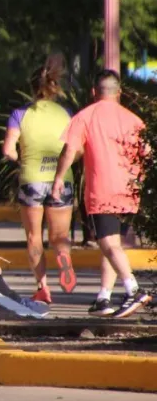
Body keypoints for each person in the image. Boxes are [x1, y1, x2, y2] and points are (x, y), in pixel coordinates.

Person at [53, 70, 151, 318]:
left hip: (102, 190)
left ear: (94, 92)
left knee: (107, 243)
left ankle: (133, 289)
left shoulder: (85, 116)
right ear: (119, 93)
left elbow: (69, 150)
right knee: (113, 246)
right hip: (130, 191)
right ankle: (103, 296)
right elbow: (148, 155)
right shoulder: (135, 120)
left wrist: (57, 179)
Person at [2, 59, 77, 305]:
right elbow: (78, 149)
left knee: (34, 236)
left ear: (33, 87)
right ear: (55, 87)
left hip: (31, 178)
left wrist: (21, 158)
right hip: (60, 179)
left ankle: (42, 287)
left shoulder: (19, 114)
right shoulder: (66, 113)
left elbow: (8, 150)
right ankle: (63, 258)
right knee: (60, 235)